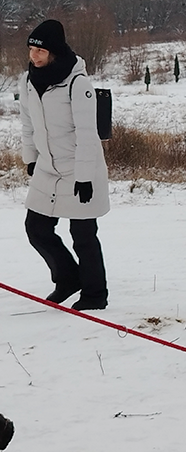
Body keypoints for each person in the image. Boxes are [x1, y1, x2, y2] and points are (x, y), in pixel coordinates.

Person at [18, 19, 110, 310]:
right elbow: (28, 125)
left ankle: (95, 294)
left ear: (54, 52)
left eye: (40, 51)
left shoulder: (77, 83)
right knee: (37, 228)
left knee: (83, 235)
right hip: (48, 167)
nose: (34, 56)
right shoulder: (28, 81)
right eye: (31, 49)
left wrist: (84, 177)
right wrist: (31, 159)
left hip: (79, 168)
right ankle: (68, 278)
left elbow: (86, 132)